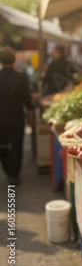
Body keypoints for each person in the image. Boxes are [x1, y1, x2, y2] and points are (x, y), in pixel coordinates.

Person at [0, 46, 33, 185]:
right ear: (14, 60)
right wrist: (30, 111)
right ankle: (14, 174)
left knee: (2, 146)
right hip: (17, 117)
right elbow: (27, 98)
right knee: (17, 146)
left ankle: (8, 171)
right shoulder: (21, 76)